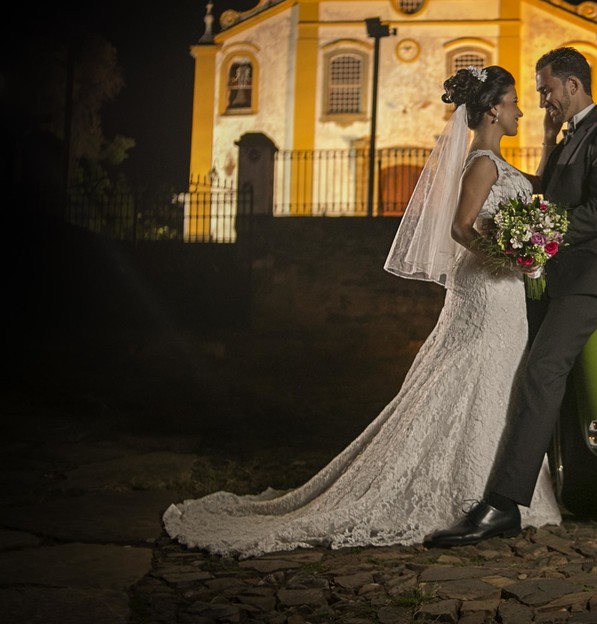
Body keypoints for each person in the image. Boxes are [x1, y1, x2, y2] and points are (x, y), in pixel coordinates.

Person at [162, 65, 561, 557]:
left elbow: (533, 187)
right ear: (494, 109)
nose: (521, 109)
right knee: (473, 374)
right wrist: (509, 255)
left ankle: (501, 491)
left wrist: (547, 141)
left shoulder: (498, 162)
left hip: (502, 290)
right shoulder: (480, 163)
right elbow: (460, 229)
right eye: (516, 102)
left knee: (500, 379)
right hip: (486, 286)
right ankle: (463, 490)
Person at [426, 46, 597, 547]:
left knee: (542, 370)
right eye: (535, 93)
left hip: (595, 278)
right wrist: (546, 154)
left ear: (572, 85)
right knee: (520, 369)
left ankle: (502, 504)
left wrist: (541, 231)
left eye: (545, 89)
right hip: (556, 277)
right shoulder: (568, 138)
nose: (541, 100)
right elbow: (545, 194)